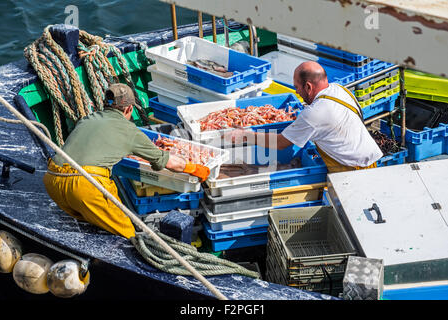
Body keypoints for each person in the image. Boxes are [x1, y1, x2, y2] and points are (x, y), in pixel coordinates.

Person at [43, 83, 210, 239]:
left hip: (52, 180)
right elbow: (171, 163)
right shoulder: (130, 131)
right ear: (129, 108)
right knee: (128, 235)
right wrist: (196, 169)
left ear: (106, 104)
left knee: (89, 225)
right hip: (84, 186)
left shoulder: (88, 119)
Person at [227, 61, 383, 173]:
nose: (296, 93)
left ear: (308, 86)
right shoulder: (339, 90)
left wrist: (246, 135)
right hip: (371, 161)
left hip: (352, 170)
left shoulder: (314, 113)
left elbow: (281, 143)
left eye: (297, 87)